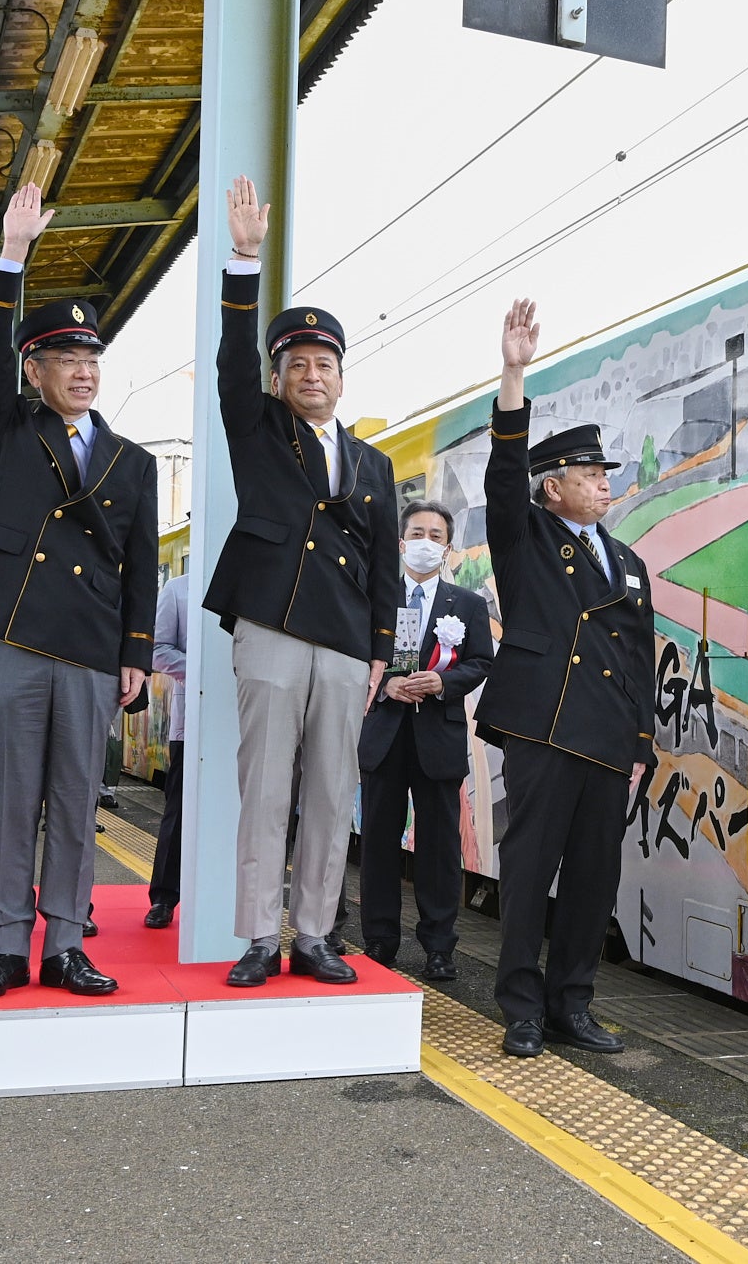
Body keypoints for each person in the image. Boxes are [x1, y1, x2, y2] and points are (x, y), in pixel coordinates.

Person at [0, 183, 158, 1001]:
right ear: (37, 369)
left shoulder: (133, 462)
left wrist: (136, 653)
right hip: (11, 639)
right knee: (9, 801)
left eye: (93, 360)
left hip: (93, 648)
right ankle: (1, 944)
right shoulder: (12, 426)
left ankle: (66, 943)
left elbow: (142, 565)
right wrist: (12, 254)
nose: (84, 372)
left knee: (73, 802)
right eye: (68, 359)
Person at [202, 175, 401, 989]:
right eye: (296, 363)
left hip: (348, 641)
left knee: (329, 790)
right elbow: (228, 365)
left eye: (325, 363)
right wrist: (244, 262)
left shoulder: (375, 465)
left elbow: (387, 562)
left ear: (342, 378)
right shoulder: (256, 429)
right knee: (265, 785)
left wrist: (383, 650)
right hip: (273, 627)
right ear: (277, 375)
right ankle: (258, 934)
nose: (311, 373)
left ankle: (314, 933)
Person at [476, 299, 656, 1058]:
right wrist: (515, 372)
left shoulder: (631, 563)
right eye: (587, 473)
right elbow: (503, 471)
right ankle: (520, 1005)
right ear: (551, 487)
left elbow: (641, 655)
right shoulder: (526, 538)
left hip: (606, 738)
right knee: (527, 871)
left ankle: (570, 1003)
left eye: (603, 473)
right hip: (544, 725)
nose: (601, 482)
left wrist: (641, 736)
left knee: (591, 880)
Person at [357, 500, 494, 980]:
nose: (426, 543)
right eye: (418, 533)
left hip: (438, 738)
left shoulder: (468, 605)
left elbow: (481, 662)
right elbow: (356, 654)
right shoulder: (375, 599)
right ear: (401, 542)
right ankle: (378, 939)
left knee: (438, 848)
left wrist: (443, 684)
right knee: (377, 842)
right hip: (384, 735)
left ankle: (439, 947)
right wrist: (384, 684)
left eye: (436, 535)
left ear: (448, 547)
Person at [144, 570, 190, 929]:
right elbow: (158, 650)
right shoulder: (177, 590)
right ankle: (164, 896)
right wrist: (201, 671)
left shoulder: (254, 583)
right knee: (178, 807)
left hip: (244, 720)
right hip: (190, 722)